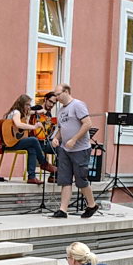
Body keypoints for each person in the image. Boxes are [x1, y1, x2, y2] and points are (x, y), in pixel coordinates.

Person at [51, 84, 99, 219]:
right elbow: (61, 128)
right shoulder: (60, 110)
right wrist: (56, 138)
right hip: (65, 149)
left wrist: (74, 139)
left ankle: (92, 205)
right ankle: (63, 209)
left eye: (58, 94)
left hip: (80, 149)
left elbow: (87, 123)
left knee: (80, 179)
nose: (57, 98)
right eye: (55, 95)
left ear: (66, 92)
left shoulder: (77, 105)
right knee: (64, 179)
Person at [2, 94, 55, 184]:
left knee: (32, 148)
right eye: (27, 104)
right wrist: (34, 127)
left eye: (29, 105)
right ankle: (44, 163)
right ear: (21, 104)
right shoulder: (16, 112)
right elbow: (18, 124)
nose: (29, 107)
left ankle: (31, 177)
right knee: (33, 140)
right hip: (10, 143)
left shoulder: (20, 114)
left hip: (12, 142)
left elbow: (20, 128)